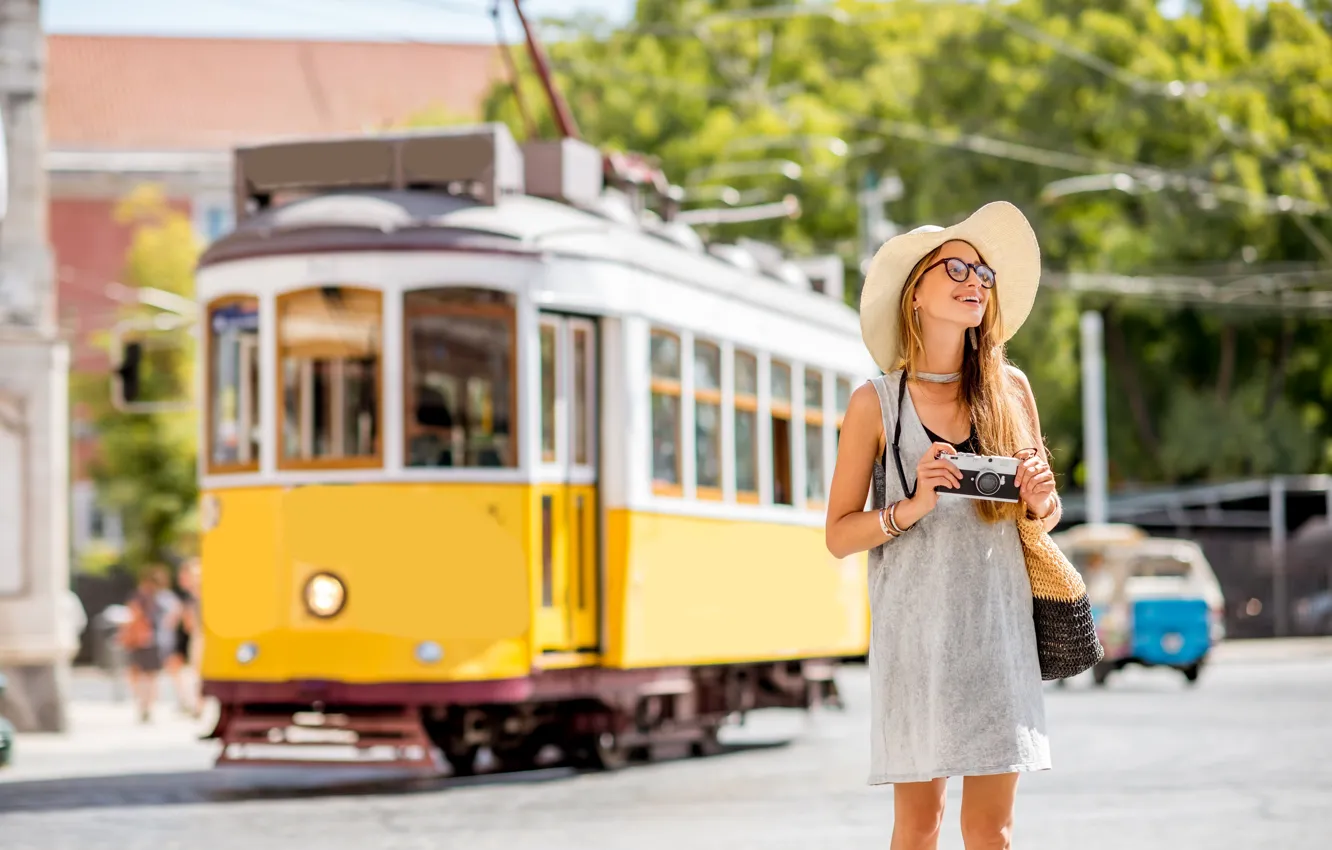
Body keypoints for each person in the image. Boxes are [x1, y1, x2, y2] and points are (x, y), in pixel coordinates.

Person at [826, 202, 1060, 850]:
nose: (975, 279)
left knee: (992, 830)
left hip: (996, 632)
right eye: (955, 267)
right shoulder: (876, 402)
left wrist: (1042, 499)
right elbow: (839, 534)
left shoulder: (1009, 389)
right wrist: (912, 505)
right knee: (918, 828)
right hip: (916, 641)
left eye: (983, 272)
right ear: (916, 295)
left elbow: (1043, 516)